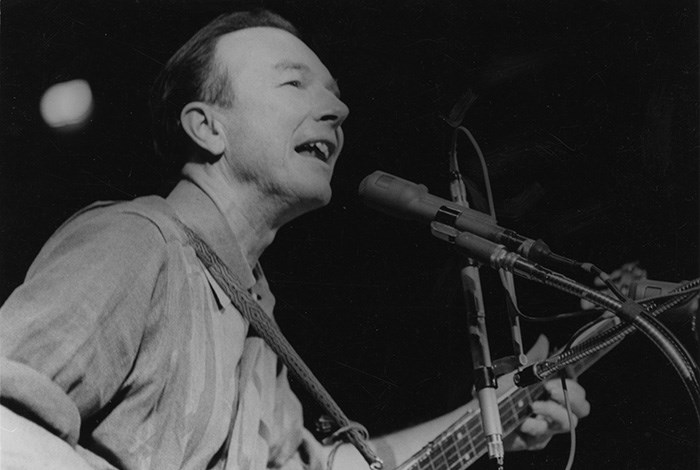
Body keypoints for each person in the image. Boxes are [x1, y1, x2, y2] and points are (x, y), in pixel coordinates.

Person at [0, 9, 590, 469]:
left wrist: (491, 417)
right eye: (294, 84)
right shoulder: (135, 242)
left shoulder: (252, 316)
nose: (338, 108)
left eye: (333, 93)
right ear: (207, 127)